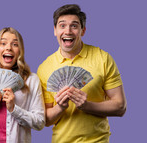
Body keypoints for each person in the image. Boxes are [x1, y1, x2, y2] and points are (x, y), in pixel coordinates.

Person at [37, 4, 127, 143]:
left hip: (98, 140)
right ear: (55, 30)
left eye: (74, 26)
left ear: (82, 30)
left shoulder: (103, 58)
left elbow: (120, 107)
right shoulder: (44, 68)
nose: (68, 31)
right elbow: (46, 120)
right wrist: (60, 107)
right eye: (62, 25)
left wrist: (87, 106)